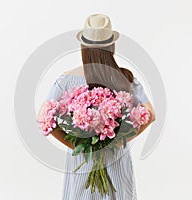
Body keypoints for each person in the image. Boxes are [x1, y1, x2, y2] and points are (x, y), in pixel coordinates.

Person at [37, 13, 155, 200]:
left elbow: (42, 117)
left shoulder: (66, 79)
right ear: (112, 47)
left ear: (83, 47)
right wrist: (117, 141)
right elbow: (150, 114)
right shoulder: (126, 79)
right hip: (116, 158)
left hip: (81, 161)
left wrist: (77, 145)